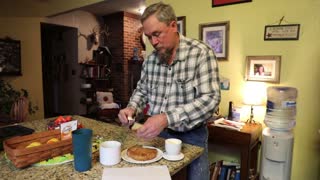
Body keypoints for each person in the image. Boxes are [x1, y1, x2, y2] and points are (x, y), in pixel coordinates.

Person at [118, 2, 221, 180]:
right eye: (149, 37)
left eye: (157, 34)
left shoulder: (201, 53)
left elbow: (210, 99)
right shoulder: (151, 61)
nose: (153, 42)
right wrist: (132, 108)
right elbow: (142, 90)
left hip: (192, 139)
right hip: (156, 137)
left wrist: (166, 118)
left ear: (173, 25)